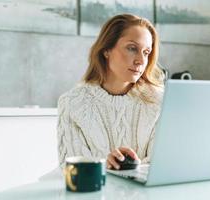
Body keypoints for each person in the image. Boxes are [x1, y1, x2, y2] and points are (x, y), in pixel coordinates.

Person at [57, 14, 164, 170]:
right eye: (132, 48)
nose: (141, 60)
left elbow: (162, 165)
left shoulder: (159, 100)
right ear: (106, 49)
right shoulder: (72, 103)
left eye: (146, 52)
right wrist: (105, 166)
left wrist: (131, 168)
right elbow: (70, 170)